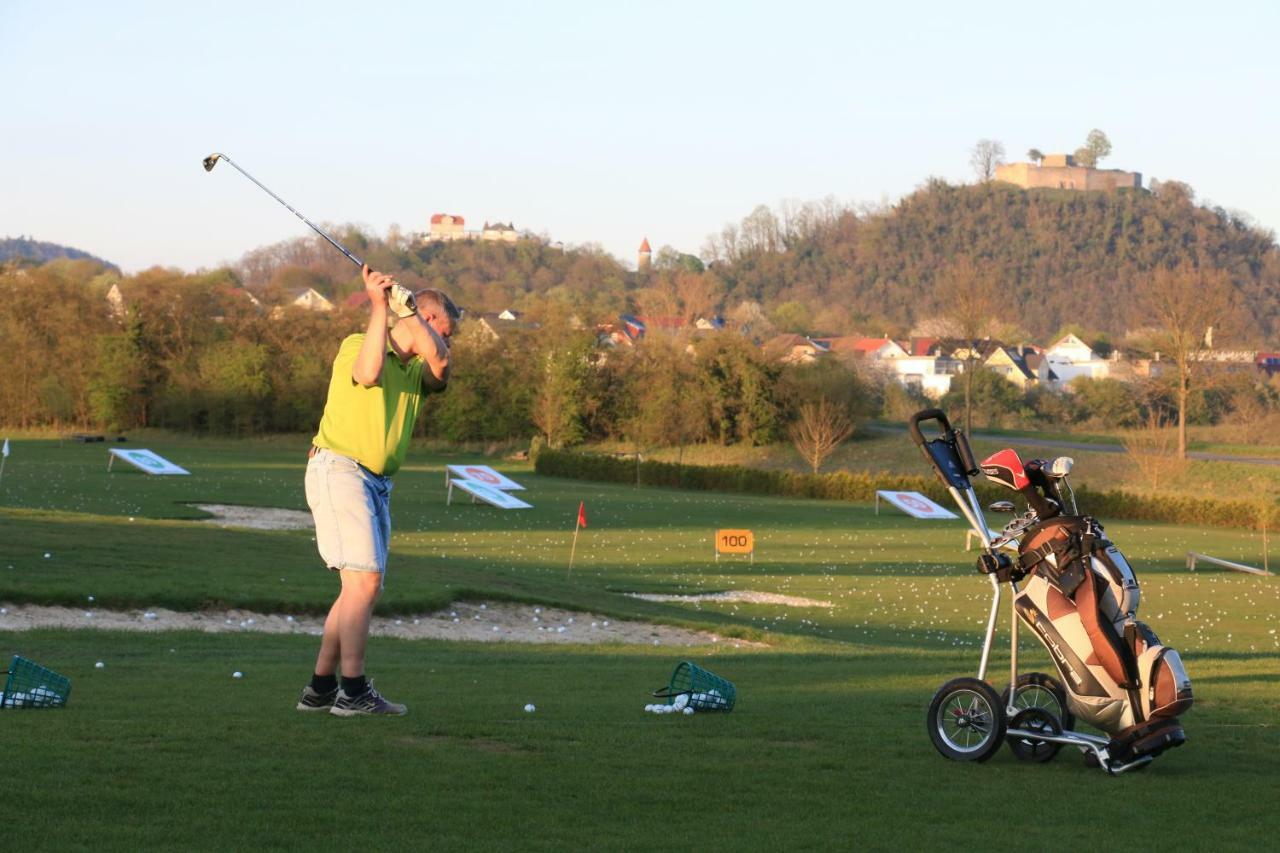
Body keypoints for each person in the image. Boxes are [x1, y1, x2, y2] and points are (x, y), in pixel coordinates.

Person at [296, 264, 458, 716]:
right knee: (363, 582)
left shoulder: (418, 372)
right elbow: (367, 375)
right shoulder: (357, 344)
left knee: (360, 587)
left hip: (377, 483)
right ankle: (353, 691)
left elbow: (441, 365)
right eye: (442, 329)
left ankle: (320, 688)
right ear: (421, 319)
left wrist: (413, 320)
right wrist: (380, 306)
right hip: (341, 469)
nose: (445, 341)